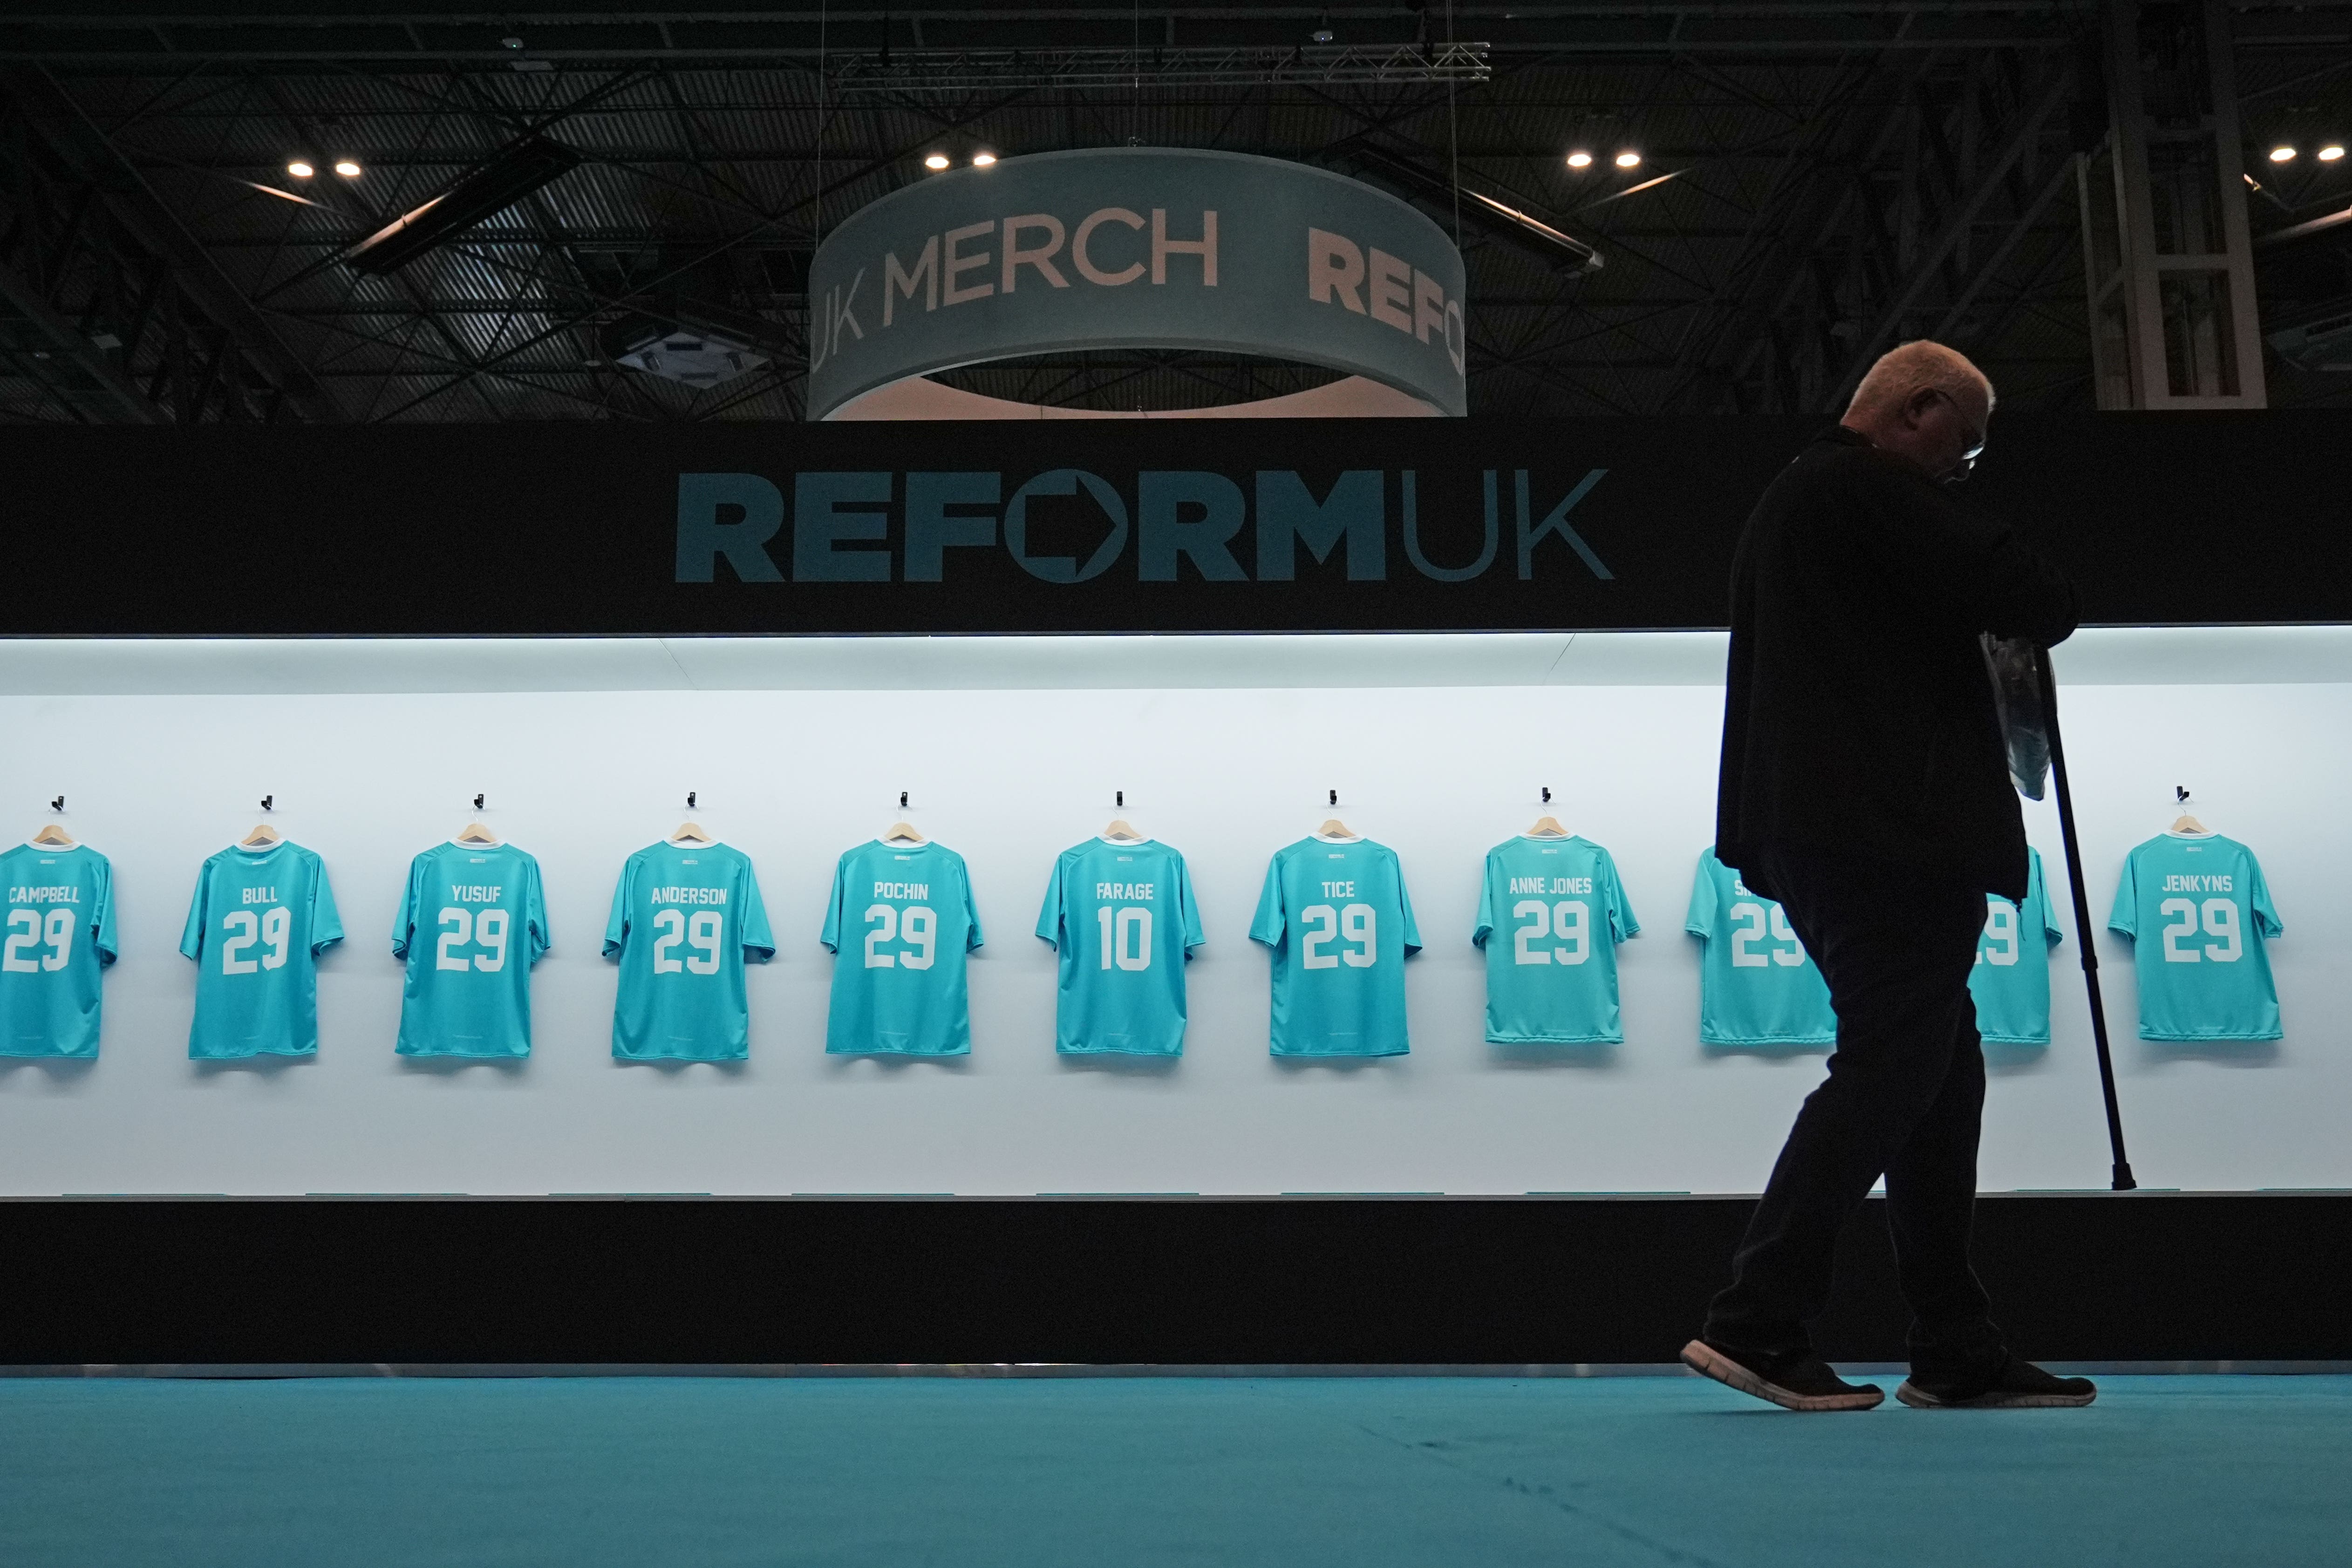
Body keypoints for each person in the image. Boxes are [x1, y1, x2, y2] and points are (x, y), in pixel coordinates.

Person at [1681, 341, 2094, 1412]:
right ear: (1914, 413)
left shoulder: (1803, 501)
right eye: (1959, 448)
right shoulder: (1860, 487)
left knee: (1934, 1070)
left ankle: (1952, 1345)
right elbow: (2032, 593)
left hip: (1833, 830)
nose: (1960, 473)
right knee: (1893, 1062)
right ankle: (1755, 1321)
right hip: (1883, 832)